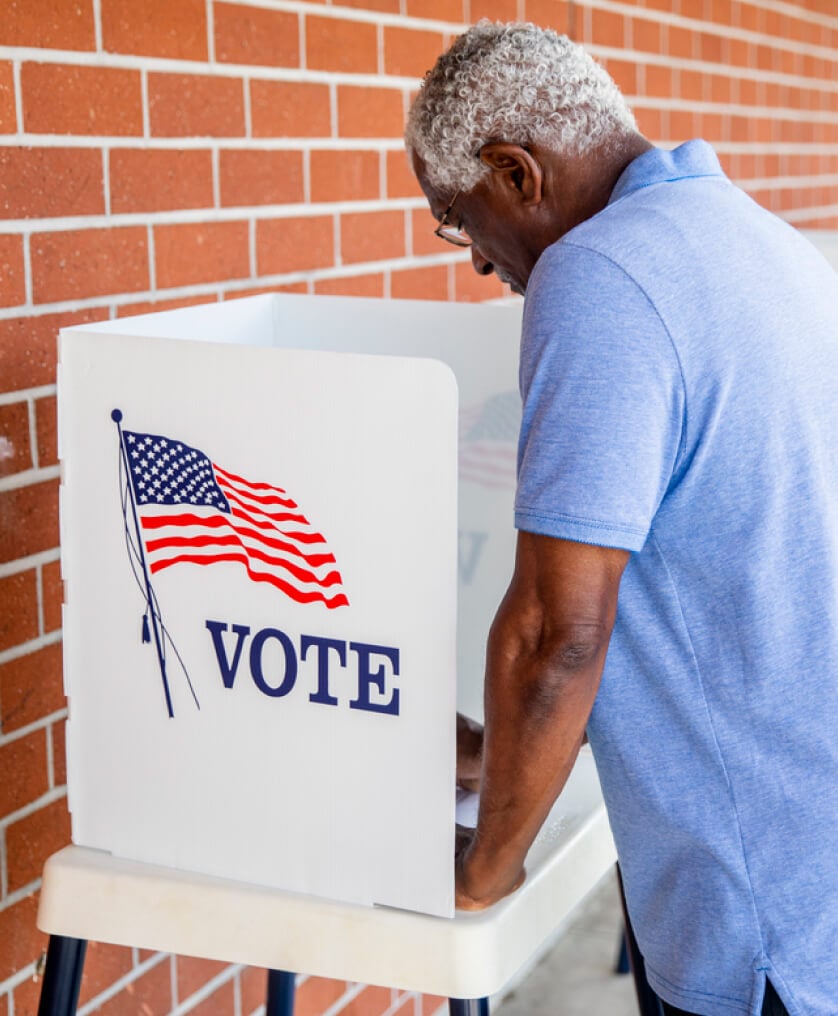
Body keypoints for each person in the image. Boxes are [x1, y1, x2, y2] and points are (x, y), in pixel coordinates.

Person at [405, 21, 838, 1016]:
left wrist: (484, 869)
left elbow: (558, 631)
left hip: (760, 917)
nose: (475, 261)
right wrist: (500, 754)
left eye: (454, 219)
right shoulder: (757, 238)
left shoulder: (597, 274)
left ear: (514, 173)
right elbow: (728, 562)